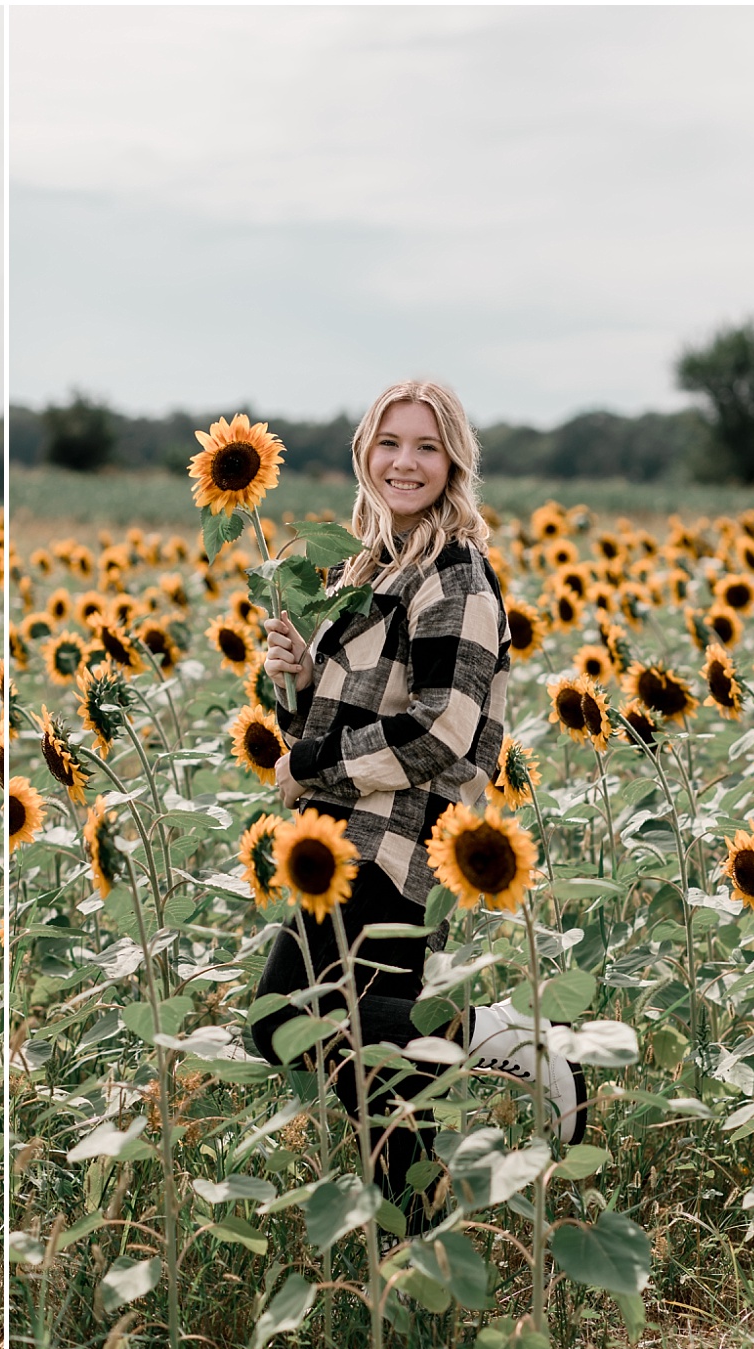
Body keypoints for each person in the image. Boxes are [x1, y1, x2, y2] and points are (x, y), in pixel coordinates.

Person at [247, 379, 581, 1246]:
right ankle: (414, 1257)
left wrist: (309, 762)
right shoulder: (364, 570)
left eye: (426, 446)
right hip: (340, 836)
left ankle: (493, 1033)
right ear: (366, 452)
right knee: (385, 1082)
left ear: (454, 462)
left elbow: (446, 731)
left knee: (286, 1018)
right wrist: (299, 681)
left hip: (394, 851)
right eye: (390, 442)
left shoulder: (456, 575)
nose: (406, 461)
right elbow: (324, 725)